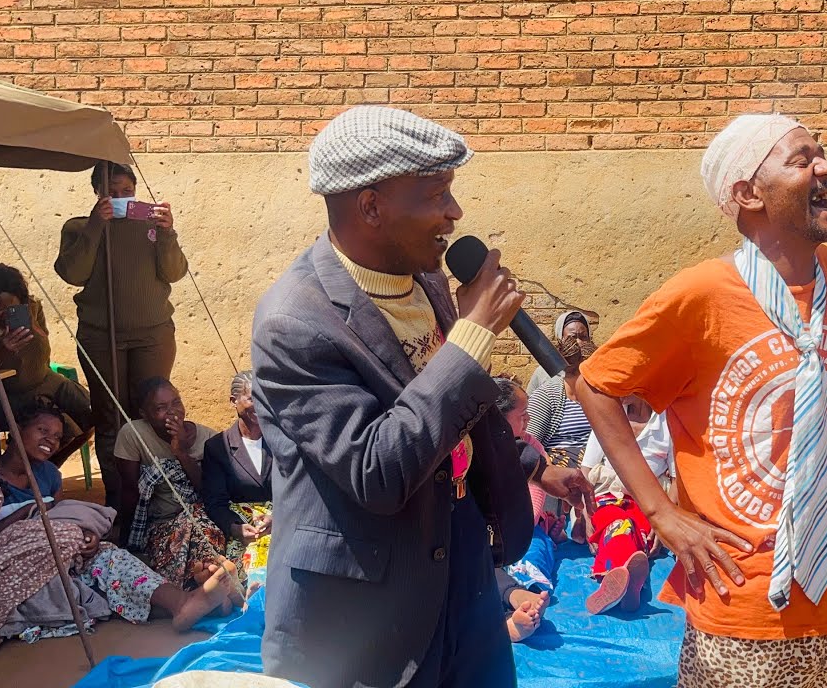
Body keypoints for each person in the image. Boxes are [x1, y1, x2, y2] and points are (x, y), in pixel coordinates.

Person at [577, 114, 827, 688]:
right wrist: (661, 514)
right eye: (800, 160)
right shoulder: (702, 295)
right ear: (747, 193)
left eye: (823, 154)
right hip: (741, 602)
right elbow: (595, 386)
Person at [251, 106, 594, 688]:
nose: (454, 213)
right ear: (371, 206)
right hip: (365, 607)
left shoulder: (429, 281)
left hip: (461, 565)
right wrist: (470, 338)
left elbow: (459, 424)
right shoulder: (295, 322)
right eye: (436, 194)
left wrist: (534, 467)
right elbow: (377, 471)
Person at [0, 404, 232, 656]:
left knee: (108, 556)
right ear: (15, 429)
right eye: (42, 430)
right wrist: (27, 515)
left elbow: (62, 518)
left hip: (55, 557)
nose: (51, 440)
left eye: (58, 436)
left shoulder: (48, 476)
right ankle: (189, 602)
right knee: (74, 555)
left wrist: (89, 536)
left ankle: (182, 602)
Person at [54, 161, 189, 512]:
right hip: (102, 336)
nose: (120, 198)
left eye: (126, 191)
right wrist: (97, 225)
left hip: (153, 334)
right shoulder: (79, 227)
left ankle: (159, 495)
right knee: (111, 416)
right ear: (97, 193)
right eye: (111, 193)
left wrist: (168, 232)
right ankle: (119, 500)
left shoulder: (151, 224)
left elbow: (174, 272)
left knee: (152, 411)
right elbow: (72, 272)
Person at [0, 263, 92, 462]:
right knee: (50, 425)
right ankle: (25, 473)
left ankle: (46, 470)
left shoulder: (32, 308)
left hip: (45, 379)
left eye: (12, 308)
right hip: (9, 392)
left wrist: (33, 325)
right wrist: (2, 350)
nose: (6, 314)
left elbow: (41, 352)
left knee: (94, 411)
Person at [114, 377, 224, 588]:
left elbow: (211, 492)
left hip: (204, 516)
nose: (173, 412)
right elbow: (130, 491)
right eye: (161, 408)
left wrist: (181, 452)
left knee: (202, 533)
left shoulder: (210, 439)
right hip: (161, 524)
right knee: (182, 544)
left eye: (176, 402)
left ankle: (209, 586)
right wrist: (127, 542)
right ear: (144, 414)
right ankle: (206, 589)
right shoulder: (133, 434)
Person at [578, 396, 675, 615]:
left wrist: (664, 523)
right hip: (605, 497)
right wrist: (584, 516)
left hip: (649, 501)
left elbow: (677, 480)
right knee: (618, 524)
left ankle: (617, 578)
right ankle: (630, 581)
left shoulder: (667, 421)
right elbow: (585, 474)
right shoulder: (606, 415)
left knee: (639, 530)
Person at [493, 376, 553, 642]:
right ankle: (508, 618)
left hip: (524, 528)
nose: (528, 420)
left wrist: (521, 528)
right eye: (522, 415)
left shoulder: (532, 448)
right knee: (479, 568)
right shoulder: (481, 448)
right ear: (499, 418)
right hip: (490, 530)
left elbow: (535, 495)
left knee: (534, 554)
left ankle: (526, 603)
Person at [201, 371, 273, 574]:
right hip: (242, 529)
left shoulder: (283, 441)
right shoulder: (217, 447)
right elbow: (215, 502)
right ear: (234, 401)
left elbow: (298, 490)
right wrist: (235, 528)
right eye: (252, 398)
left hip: (281, 524)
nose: (260, 404)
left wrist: (277, 518)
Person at [527, 336, 598, 469]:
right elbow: (529, 445)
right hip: (559, 471)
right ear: (583, 371)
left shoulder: (600, 397)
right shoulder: (547, 396)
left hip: (597, 468)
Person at [526, 310, 591, 394]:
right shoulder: (544, 373)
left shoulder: (595, 370)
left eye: (584, 337)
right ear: (560, 339)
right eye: (572, 337)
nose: (579, 342)